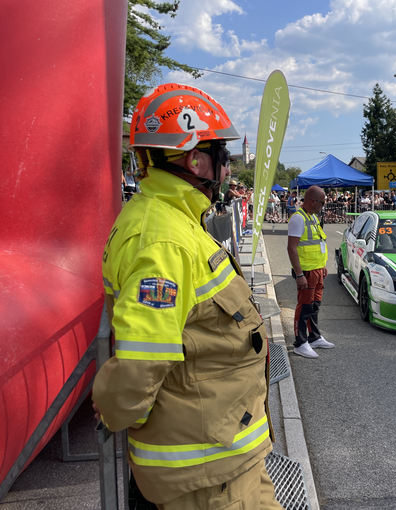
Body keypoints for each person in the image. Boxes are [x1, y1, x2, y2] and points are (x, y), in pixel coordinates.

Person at [92, 84, 282, 510]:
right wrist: (124, 413)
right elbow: (138, 369)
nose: (227, 168)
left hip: (223, 462)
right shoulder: (164, 241)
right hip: (206, 477)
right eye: (222, 156)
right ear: (195, 160)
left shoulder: (174, 221)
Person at [287, 185, 334, 358]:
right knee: (305, 307)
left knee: (314, 306)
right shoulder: (298, 219)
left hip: (317, 270)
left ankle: (314, 337)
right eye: (322, 202)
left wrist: (322, 266)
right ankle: (300, 343)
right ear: (312, 201)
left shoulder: (312, 217)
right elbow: (291, 248)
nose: (323, 206)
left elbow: (316, 244)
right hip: (306, 272)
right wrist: (299, 275)